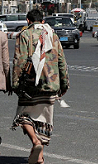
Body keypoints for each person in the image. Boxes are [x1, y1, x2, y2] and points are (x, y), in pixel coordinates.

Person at [11, 9, 69, 164]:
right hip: (51, 83)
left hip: (30, 85)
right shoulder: (53, 35)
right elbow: (62, 61)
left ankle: (36, 143)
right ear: (42, 21)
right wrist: (64, 84)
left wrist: (15, 83)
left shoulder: (24, 35)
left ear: (28, 21)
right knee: (44, 121)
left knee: (23, 116)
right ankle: (40, 156)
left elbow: (19, 61)